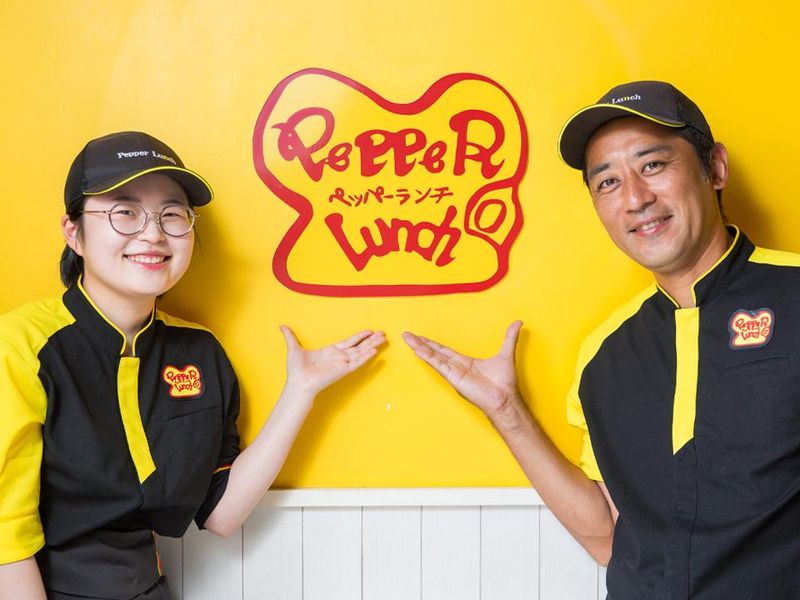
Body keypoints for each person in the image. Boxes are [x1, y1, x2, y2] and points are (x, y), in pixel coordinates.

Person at [403, 81, 800, 599]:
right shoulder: (605, 354)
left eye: (652, 165)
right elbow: (607, 537)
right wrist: (506, 410)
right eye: (608, 181)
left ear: (715, 168)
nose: (635, 198)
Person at [0, 131, 385, 599]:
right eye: (125, 212)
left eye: (172, 214)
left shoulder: (198, 351)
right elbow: (6, 543)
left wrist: (300, 391)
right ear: (73, 232)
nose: (153, 233)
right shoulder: (20, 346)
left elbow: (221, 513)